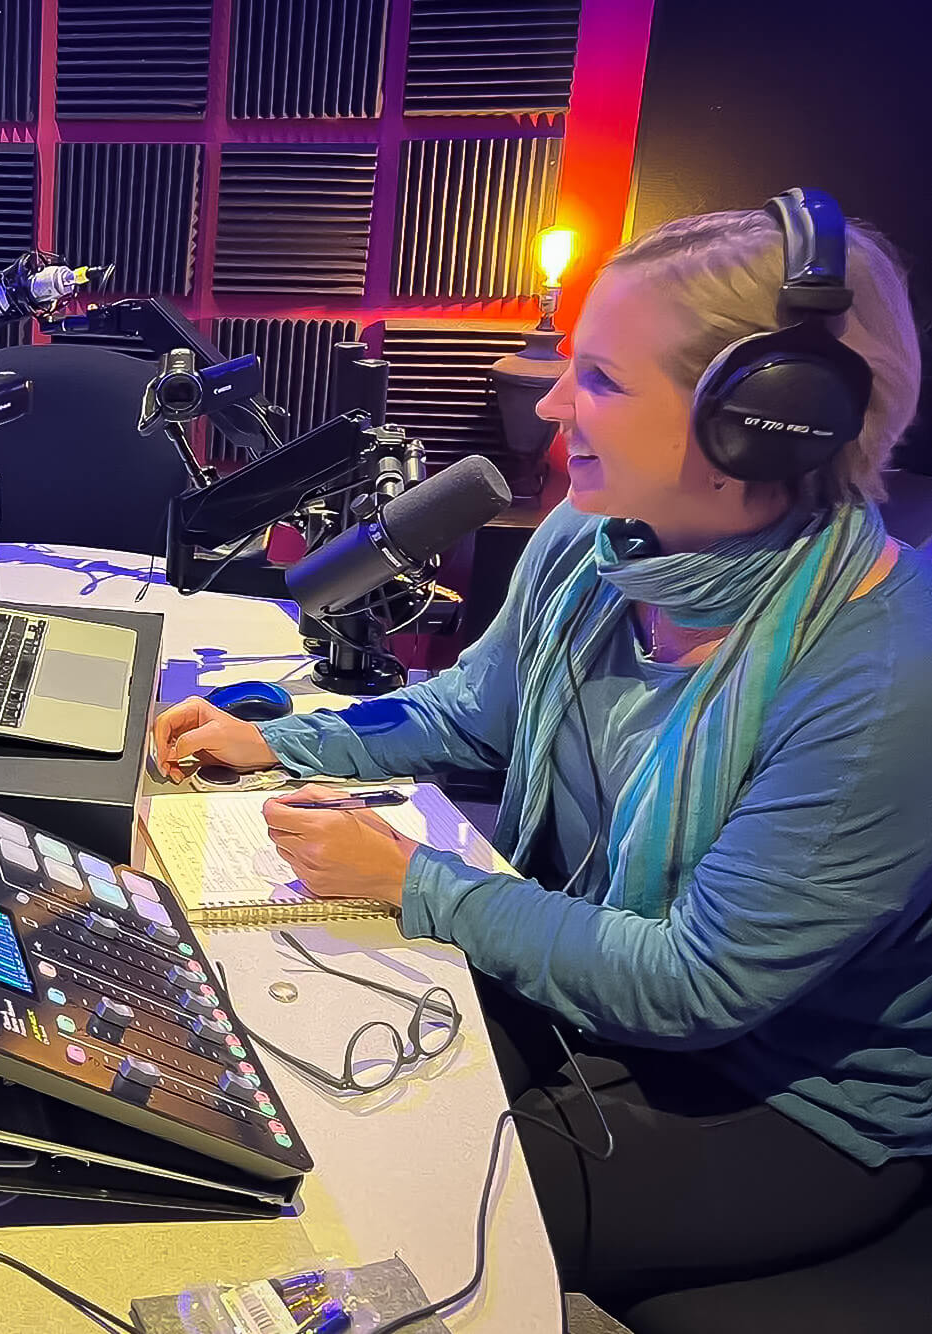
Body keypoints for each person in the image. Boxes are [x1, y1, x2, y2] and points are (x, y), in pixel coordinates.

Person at [153, 200, 932, 1308]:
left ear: (768, 425)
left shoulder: (884, 683)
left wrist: (414, 882)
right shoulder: (592, 541)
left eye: (603, 379)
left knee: (386, 1212)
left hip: (795, 1100)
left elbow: (698, 983)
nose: (554, 401)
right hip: (595, 992)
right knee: (303, 1086)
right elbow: (475, 710)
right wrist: (276, 738)